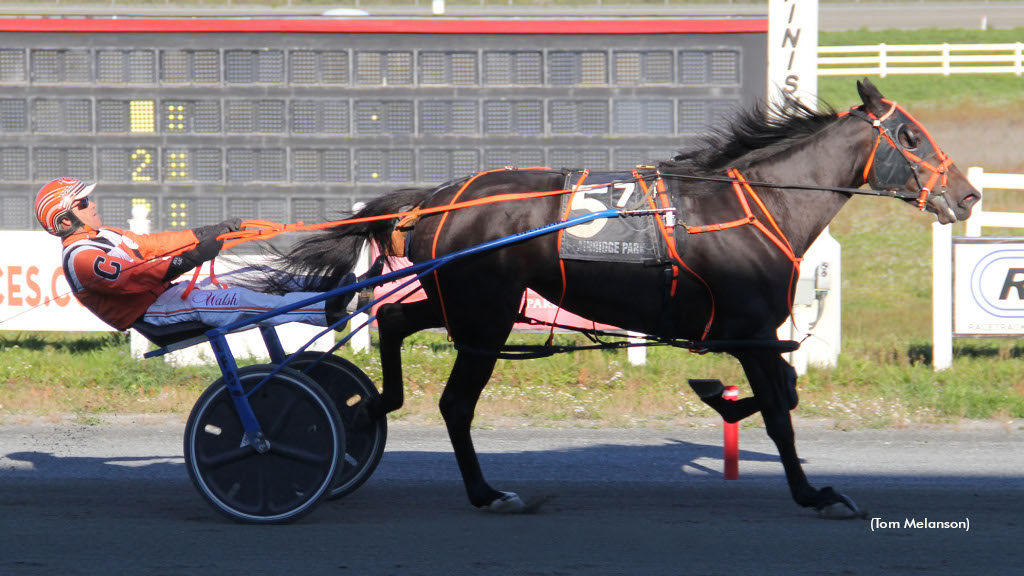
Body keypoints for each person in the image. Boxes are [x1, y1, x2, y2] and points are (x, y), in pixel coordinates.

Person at [34, 177, 363, 335]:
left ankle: (335, 284)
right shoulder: (80, 260)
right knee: (244, 298)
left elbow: (153, 244)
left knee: (260, 272)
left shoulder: (108, 235)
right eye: (82, 204)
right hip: (156, 314)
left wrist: (208, 233)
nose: (92, 205)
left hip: (173, 295)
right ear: (65, 221)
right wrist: (191, 258)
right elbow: (135, 281)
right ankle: (335, 307)